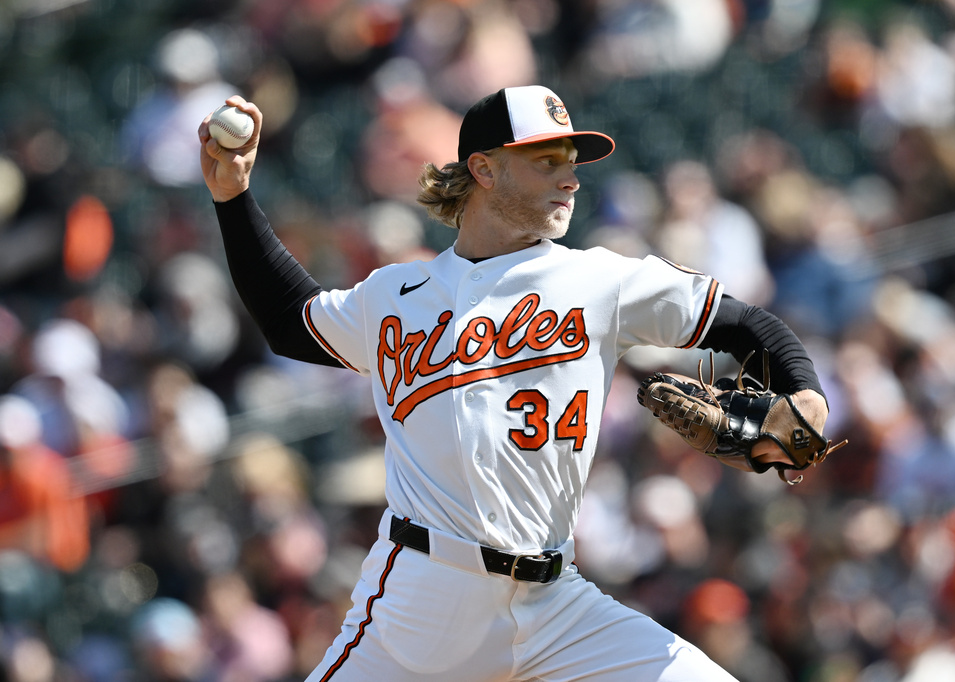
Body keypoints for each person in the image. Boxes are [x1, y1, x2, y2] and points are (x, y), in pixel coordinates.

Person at [199, 85, 831, 681]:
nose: (571, 176)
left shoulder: (598, 281)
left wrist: (805, 393)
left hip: (557, 605)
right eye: (547, 158)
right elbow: (290, 322)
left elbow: (747, 325)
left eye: (573, 160)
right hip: (423, 599)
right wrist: (232, 198)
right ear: (484, 168)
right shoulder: (397, 294)